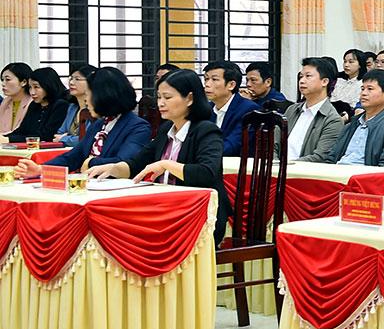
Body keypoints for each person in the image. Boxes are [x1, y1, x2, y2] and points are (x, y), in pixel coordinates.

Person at [87, 69, 229, 241]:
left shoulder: (207, 131)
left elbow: (206, 173)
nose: (160, 103)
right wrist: (113, 168)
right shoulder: (166, 130)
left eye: (167, 97)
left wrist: (166, 164)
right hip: (166, 210)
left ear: (190, 98)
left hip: (198, 215)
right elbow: (136, 164)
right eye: (159, 97)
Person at [17, 66, 150, 177]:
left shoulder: (138, 127)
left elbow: (123, 163)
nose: (86, 100)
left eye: (88, 94)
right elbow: (75, 155)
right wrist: (41, 169)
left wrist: (90, 162)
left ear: (104, 96)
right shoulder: (100, 124)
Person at [330, 70, 384, 167]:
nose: (363, 93)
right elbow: (331, 157)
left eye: (370, 89)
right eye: (362, 89)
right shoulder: (351, 125)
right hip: (337, 172)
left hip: (364, 175)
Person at [280, 57, 345, 163]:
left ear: (324, 82)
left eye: (308, 76)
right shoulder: (291, 110)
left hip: (303, 171)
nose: (302, 81)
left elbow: (320, 157)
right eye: (301, 76)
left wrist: (286, 166)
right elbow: (274, 144)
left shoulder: (333, 120)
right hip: (277, 169)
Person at [203, 61, 260, 157]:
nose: (207, 84)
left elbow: (232, 146)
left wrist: (200, 154)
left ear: (231, 85)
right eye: (206, 79)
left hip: (236, 163)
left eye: (214, 79)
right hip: (210, 160)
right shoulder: (207, 108)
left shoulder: (248, 109)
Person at [5, 67, 69, 143]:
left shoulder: (61, 105)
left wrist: (9, 139)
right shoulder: (34, 104)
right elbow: (21, 130)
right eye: (30, 87)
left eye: (36, 87)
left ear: (48, 86)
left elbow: (46, 135)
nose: (32, 92)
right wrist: (5, 138)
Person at [53, 64, 98, 147]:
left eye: (77, 79)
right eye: (71, 78)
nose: (71, 82)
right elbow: (59, 134)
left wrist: (65, 138)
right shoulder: (72, 107)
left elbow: (89, 139)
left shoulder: (96, 109)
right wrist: (69, 138)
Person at [0, 62, 33, 136]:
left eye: (8, 79)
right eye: (2, 80)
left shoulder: (33, 103)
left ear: (24, 82)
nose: (3, 84)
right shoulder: (5, 102)